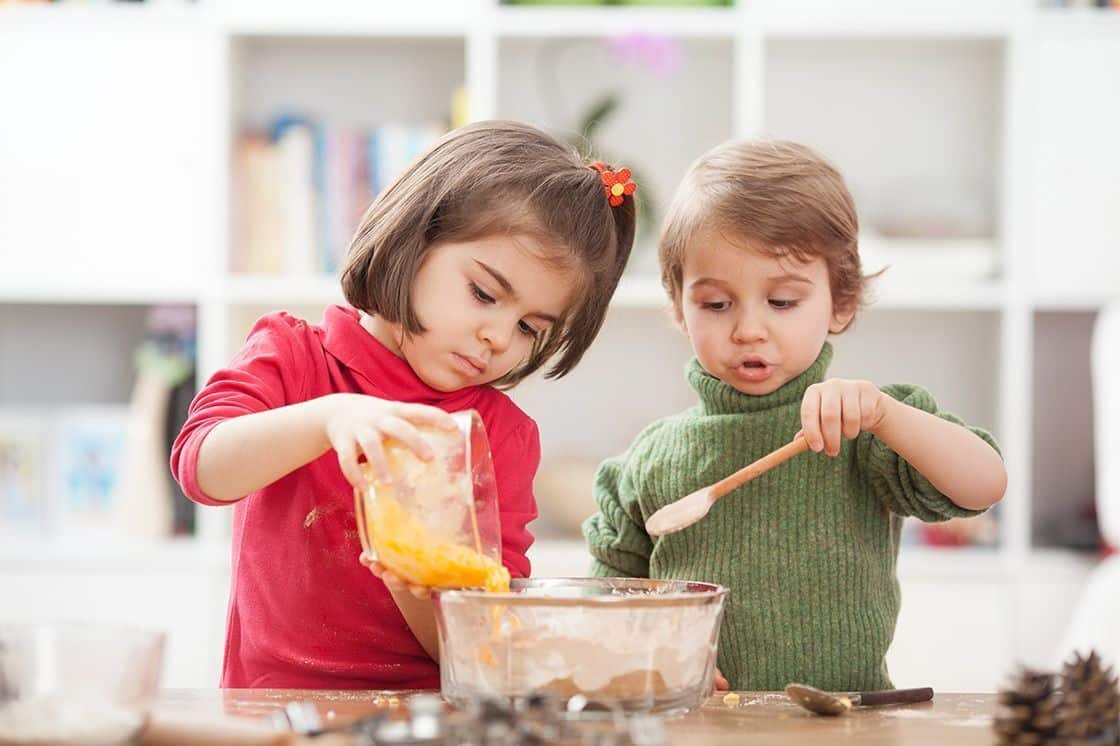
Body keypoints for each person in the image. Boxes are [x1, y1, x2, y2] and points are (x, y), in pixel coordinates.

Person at [172, 120, 636, 689]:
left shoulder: (501, 434)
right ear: (412, 241)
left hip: (426, 716)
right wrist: (331, 417)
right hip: (275, 710)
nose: (497, 336)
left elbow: (477, 649)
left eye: (528, 328)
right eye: (484, 294)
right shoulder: (292, 357)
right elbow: (202, 468)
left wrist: (412, 567)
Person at [583, 139, 1006, 691]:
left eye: (781, 302)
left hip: (847, 728)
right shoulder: (648, 462)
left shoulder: (865, 429)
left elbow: (985, 484)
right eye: (716, 304)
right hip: (700, 727)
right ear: (678, 306)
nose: (749, 329)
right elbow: (603, 603)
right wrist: (647, 653)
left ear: (843, 301)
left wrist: (885, 415)